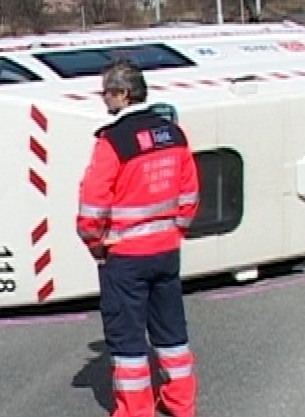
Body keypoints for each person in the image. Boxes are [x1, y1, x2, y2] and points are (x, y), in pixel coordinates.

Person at [76, 60, 200, 417]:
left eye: (107, 93)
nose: (104, 100)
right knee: (171, 332)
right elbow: (189, 193)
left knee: (127, 338)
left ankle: (135, 410)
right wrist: (176, 229)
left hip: (125, 256)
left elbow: (92, 205)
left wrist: (95, 245)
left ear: (123, 94)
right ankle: (180, 404)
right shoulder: (173, 135)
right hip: (166, 250)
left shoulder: (112, 141)